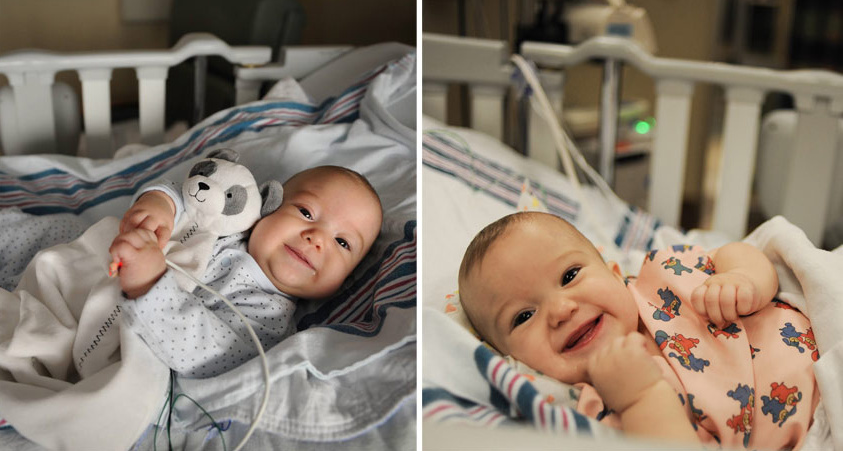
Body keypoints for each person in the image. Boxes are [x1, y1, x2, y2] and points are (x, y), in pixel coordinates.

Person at [458, 211, 819, 449]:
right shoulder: (596, 410)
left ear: (615, 272)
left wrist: (744, 277)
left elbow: (739, 250)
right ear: (507, 355)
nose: (560, 310)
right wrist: (638, 398)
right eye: (523, 316)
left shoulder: (663, 274)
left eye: (569, 276)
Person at [109, 165, 383, 378]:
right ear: (269, 205)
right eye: (306, 212)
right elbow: (191, 196)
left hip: (124, 340)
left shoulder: (269, 319)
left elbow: (201, 352)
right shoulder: (230, 223)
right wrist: (161, 205)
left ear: (344, 279)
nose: (317, 238)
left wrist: (149, 283)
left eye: (343, 242)